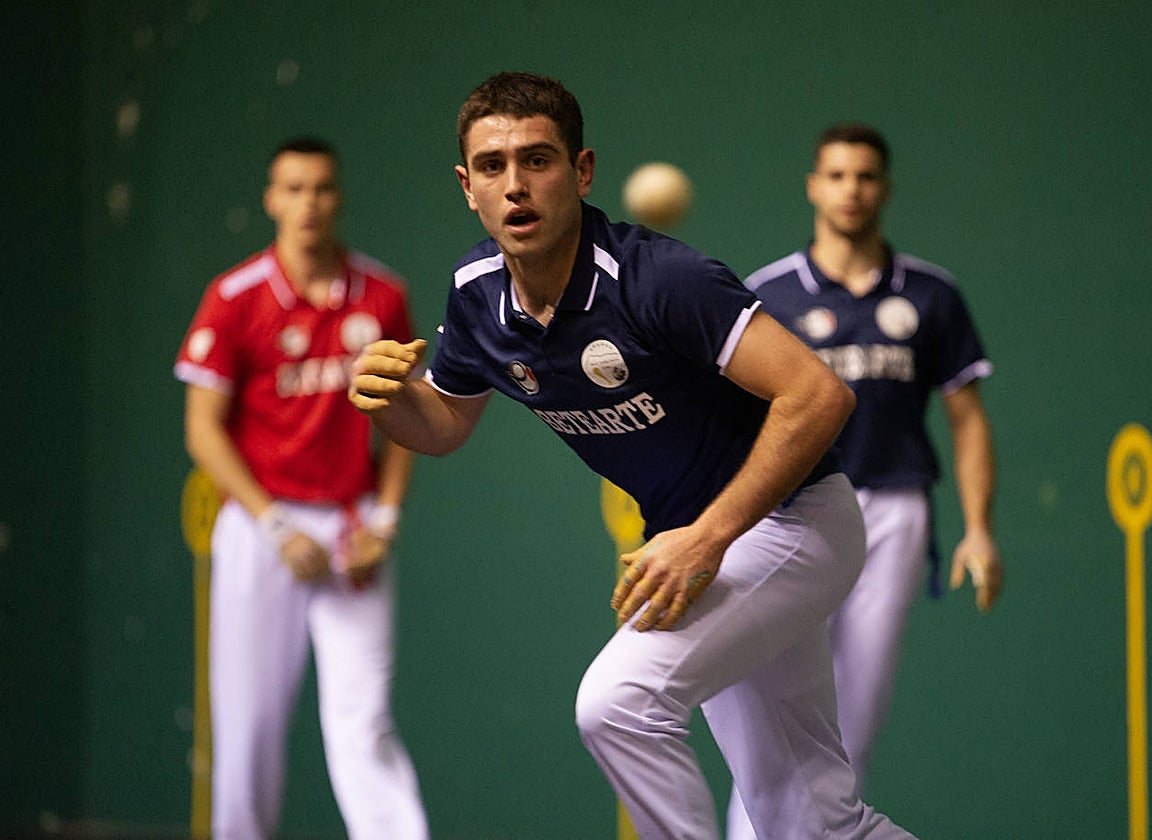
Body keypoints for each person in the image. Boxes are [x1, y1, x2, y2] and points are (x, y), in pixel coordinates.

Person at [349, 72, 915, 840]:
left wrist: (708, 538)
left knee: (618, 704)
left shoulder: (662, 280)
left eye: (538, 161)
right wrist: (392, 400)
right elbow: (444, 424)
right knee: (811, 821)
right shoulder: (477, 295)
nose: (515, 185)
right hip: (707, 549)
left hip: (790, 524)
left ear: (581, 172)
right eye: (492, 166)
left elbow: (818, 397)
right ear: (467, 186)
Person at [726, 122, 1004, 836]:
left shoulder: (932, 295)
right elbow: (734, 423)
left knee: (853, 722)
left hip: (894, 514)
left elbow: (967, 419)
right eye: (838, 175)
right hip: (790, 516)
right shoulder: (769, 294)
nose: (852, 190)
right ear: (814, 186)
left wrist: (977, 529)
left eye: (867, 176)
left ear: (885, 188)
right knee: (773, 712)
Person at [174, 136, 428, 840]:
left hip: (354, 530)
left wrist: (386, 517)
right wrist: (275, 525)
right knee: (248, 726)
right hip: (262, 532)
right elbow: (204, 431)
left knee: (364, 718)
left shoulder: (383, 295)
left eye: (321, 187)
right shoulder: (234, 298)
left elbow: (406, 417)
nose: (308, 202)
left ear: (338, 196)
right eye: (293, 188)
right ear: (271, 199)